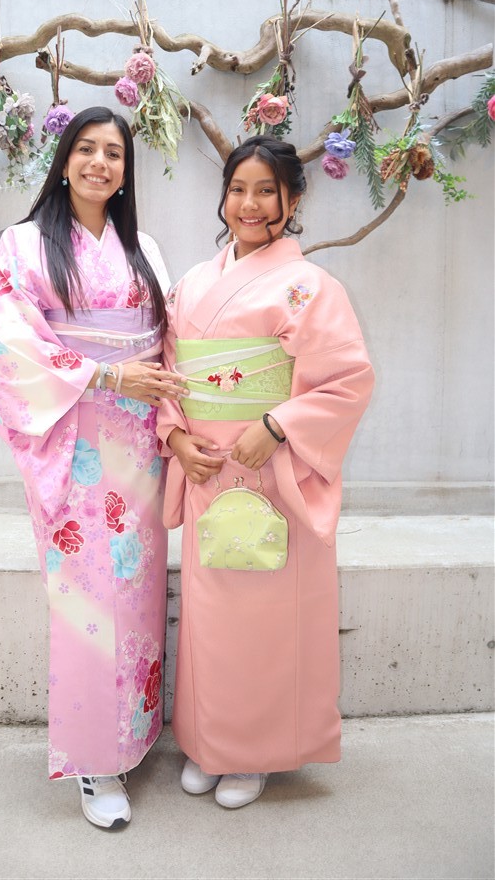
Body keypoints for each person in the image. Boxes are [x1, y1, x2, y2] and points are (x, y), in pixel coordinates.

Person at [0, 106, 186, 829]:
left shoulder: (142, 248)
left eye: (114, 154)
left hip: (138, 444)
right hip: (74, 438)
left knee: (136, 589)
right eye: (87, 149)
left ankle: (134, 733)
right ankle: (95, 762)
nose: (100, 163)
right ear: (64, 161)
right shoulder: (23, 244)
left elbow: (165, 339)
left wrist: (165, 403)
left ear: (126, 172)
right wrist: (106, 375)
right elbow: (6, 340)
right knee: (88, 598)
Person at [157, 136, 374, 809]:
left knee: (267, 619)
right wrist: (175, 437)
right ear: (223, 197)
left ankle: (255, 752)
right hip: (207, 469)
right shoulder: (193, 283)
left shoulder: (311, 287)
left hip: (276, 472)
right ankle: (209, 742)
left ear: (292, 200)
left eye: (265, 191)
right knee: (211, 618)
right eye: (237, 189)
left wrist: (277, 426)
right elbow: (168, 368)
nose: (248, 204)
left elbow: (346, 380)